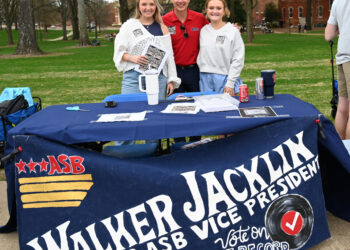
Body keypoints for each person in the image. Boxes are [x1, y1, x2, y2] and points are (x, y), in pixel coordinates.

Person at [113, 0, 181, 100]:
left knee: (155, 113)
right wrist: (132, 58)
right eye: (144, 4)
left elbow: (169, 57)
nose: (148, 8)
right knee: (131, 110)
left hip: (157, 78)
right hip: (133, 78)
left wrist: (171, 80)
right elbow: (119, 52)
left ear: (156, 7)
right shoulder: (129, 26)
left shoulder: (163, 28)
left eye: (151, 4)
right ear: (138, 7)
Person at [197, 0, 245, 96]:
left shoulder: (232, 31)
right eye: (211, 8)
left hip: (225, 79)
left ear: (224, 11)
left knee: (226, 109)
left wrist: (230, 83)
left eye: (218, 8)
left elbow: (238, 59)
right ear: (206, 10)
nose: (215, 11)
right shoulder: (203, 31)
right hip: (205, 78)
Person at [162, 0, 209, 94]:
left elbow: (213, 33)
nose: (180, 1)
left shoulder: (200, 18)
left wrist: (226, 30)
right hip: (174, 71)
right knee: (176, 105)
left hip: (195, 71)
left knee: (198, 102)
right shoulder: (163, 20)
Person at [325, 0, 350, 139]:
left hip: (342, 58)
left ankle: (340, 153)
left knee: (342, 109)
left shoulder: (337, 2)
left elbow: (328, 35)